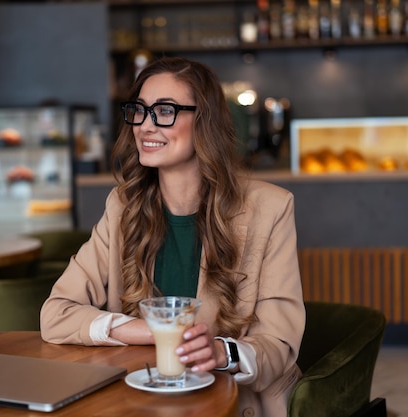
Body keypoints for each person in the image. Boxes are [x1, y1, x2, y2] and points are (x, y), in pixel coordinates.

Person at [40, 56, 305, 417]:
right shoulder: (122, 206)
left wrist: (221, 352)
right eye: (139, 110)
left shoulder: (271, 208)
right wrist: (146, 330)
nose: (146, 126)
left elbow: (279, 346)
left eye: (165, 111)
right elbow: (55, 315)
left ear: (204, 121)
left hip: (233, 405)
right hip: (143, 403)